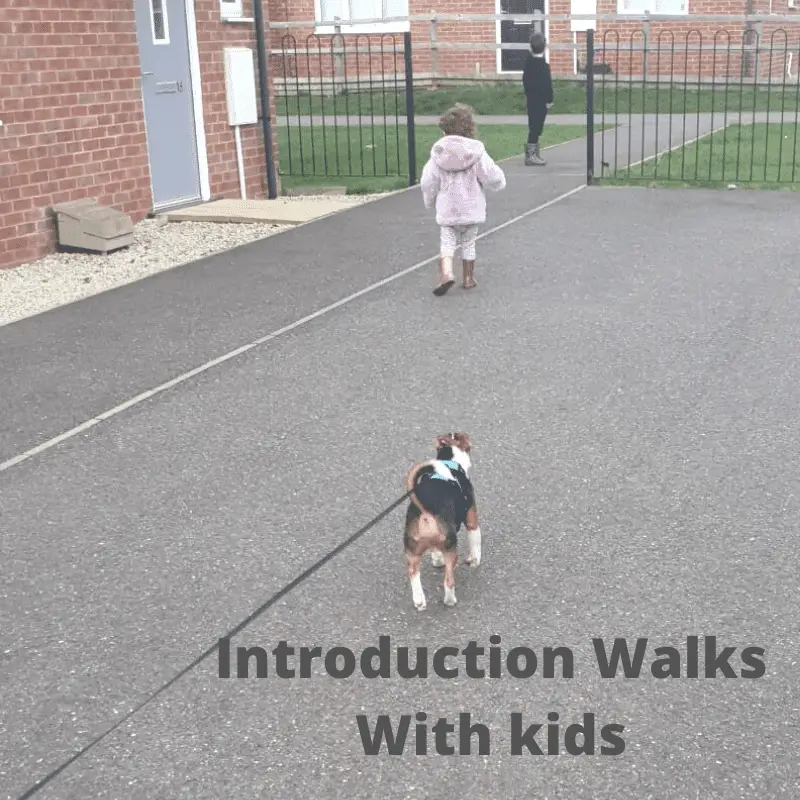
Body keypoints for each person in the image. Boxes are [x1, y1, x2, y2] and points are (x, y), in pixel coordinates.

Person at [420, 104, 507, 296]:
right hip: (471, 209)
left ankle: (446, 273)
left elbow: (428, 182)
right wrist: (498, 184)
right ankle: (468, 278)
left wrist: (429, 200)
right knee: (468, 243)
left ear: (444, 130)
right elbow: (493, 176)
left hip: (448, 209)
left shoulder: (438, 155)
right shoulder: (476, 153)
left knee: (447, 242)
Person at [522, 31, 554, 166]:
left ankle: (533, 152)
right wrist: (550, 99)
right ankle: (531, 155)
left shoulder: (528, 64)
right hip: (541, 101)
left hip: (531, 99)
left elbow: (525, 81)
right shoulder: (544, 66)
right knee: (536, 127)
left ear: (530, 47)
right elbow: (548, 85)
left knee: (534, 126)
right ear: (545, 47)